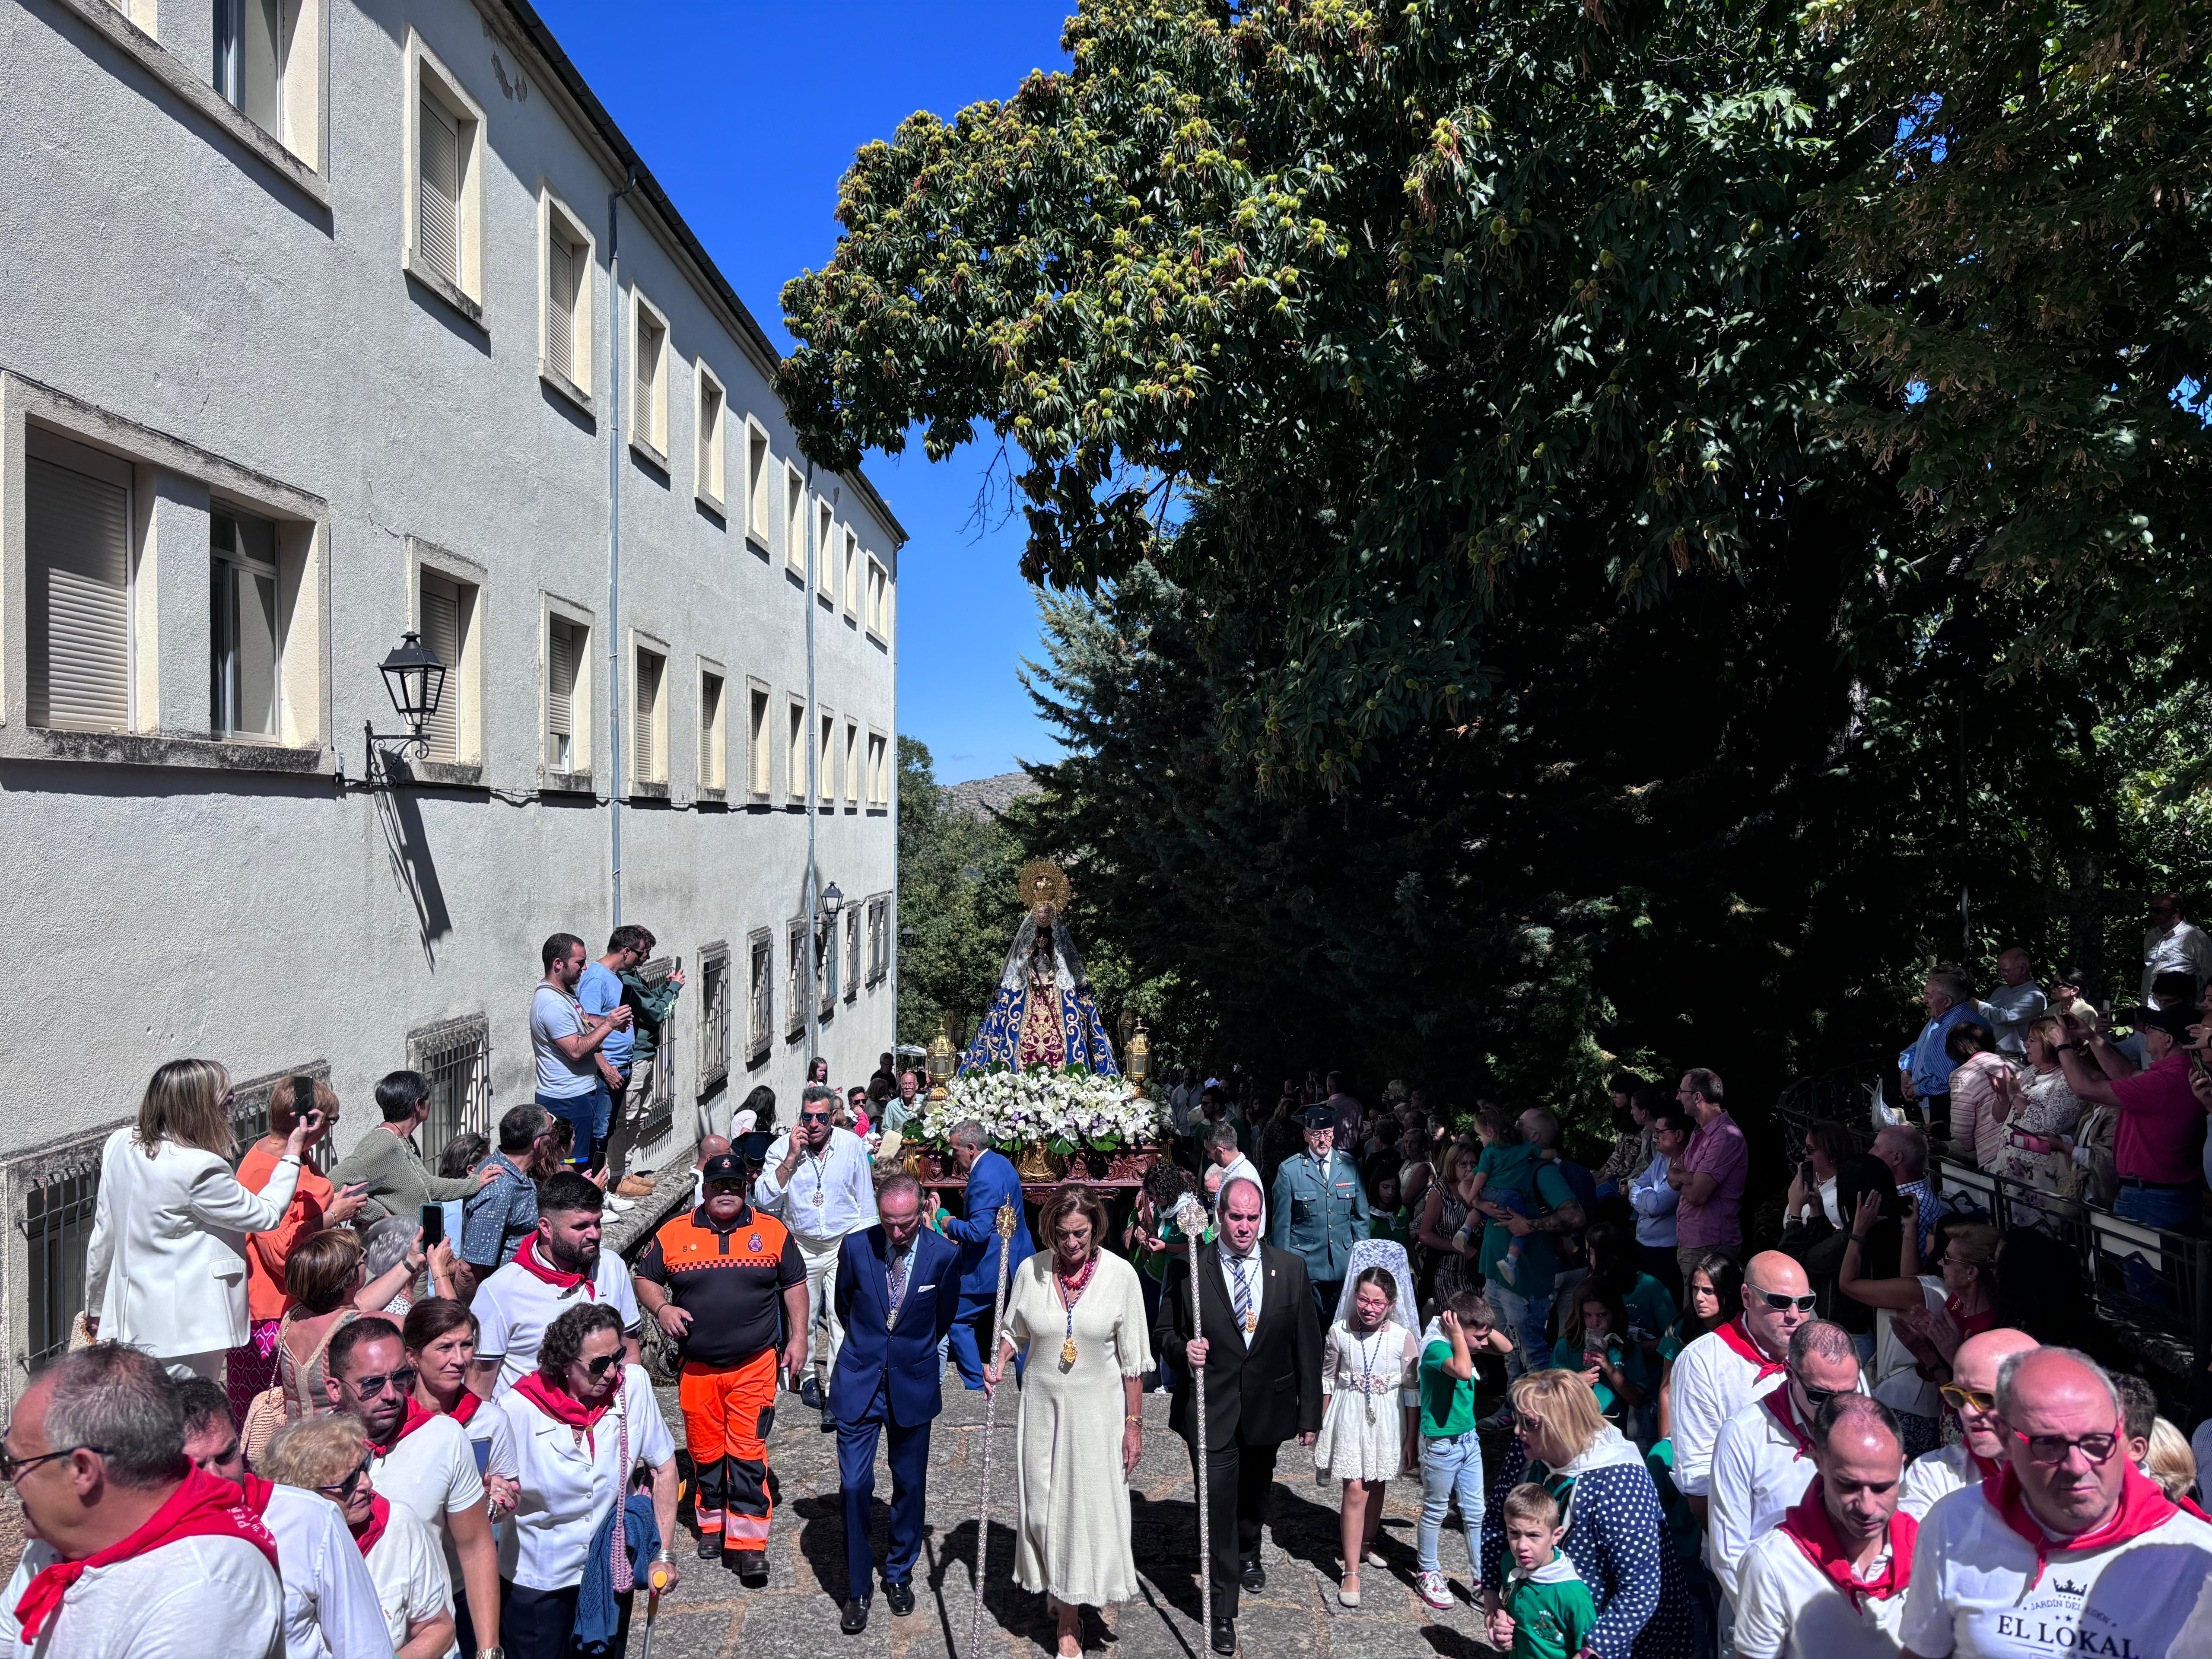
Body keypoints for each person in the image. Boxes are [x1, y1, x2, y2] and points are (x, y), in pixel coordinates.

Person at [1897, 1346, 2212, 1659]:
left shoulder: (2196, 1555)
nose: (2077, 1466)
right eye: (2049, 1444)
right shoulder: (1956, 1521)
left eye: (2096, 1443)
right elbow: (1923, 1652)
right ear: (2006, 1437)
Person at [0, 1342, 284, 1656]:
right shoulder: (55, 1540)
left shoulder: (205, 1588)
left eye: (13, 1463)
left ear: (83, 1470)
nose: (9, 1478)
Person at [982, 1185, 1152, 1659]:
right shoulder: (1029, 1271)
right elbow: (1013, 1330)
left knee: (1079, 1514)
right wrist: (997, 1361)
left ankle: (1070, 1620)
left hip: (1096, 1414)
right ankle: (1059, 1584)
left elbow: (1133, 1362)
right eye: (1061, 1235)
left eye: (1079, 1233)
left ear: (1095, 1228)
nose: (1071, 1244)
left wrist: (1133, 1424)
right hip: (1039, 1408)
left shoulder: (1121, 1277)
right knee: (1040, 1509)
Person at [1155, 1174, 1324, 1652]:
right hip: (1211, 1408)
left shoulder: (1289, 1270)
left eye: (1252, 1218)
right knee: (1216, 1504)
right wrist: (1182, 1348)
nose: (1244, 1227)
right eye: (1235, 1216)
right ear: (1219, 1216)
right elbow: (1162, 1332)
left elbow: (1306, 1347)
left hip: (1267, 1405)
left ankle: (1250, 1549)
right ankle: (1221, 1608)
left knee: (1254, 1494)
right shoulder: (1191, 1267)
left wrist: (1308, 1414)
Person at [631, 1150, 807, 1585]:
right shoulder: (674, 1233)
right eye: (717, 1186)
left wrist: (800, 1338)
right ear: (704, 1189)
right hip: (698, 1368)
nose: (726, 1193)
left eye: (735, 1187)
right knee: (705, 1452)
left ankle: (748, 1545)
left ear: (746, 1190)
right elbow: (644, 1277)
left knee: (747, 1452)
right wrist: (662, 1308)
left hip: (755, 1364)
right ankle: (712, 1524)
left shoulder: (772, 1232)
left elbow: (795, 1284)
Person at [83, 1058, 317, 1383]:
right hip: (187, 1332)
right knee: (186, 1418)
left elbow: (103, 1234)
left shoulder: (120, 1145)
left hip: (127, 1322)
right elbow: (264, 1214)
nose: (230, 1107)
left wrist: (96, 1306)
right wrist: (293, 1152)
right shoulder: (199, 1168)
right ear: (199, 1107)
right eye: (225, 1101)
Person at [496, 1302, 680, 1659]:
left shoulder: (634, 1387)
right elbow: (495, 1491)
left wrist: (665, 1554)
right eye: (599, 1364)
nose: (612, 1372)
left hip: (609, 1569)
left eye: (618, 1357)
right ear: (564, 1365)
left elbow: (664, 1469)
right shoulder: (516, 1409)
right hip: (538, 1583)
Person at [827, 1173, 963, 1634]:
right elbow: (845, 1304)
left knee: (910, 1486)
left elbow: (942, 1316)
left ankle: (899, 1574)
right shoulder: (855, 1247)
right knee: (853, 1487)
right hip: (859, 1381)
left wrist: (908, 1355)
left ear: (923, 1210)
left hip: (912, 1384)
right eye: (889, 1222)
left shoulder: (944, 1255)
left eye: (905, 1223)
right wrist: (871, 1348)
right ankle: (857, 1587)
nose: (897, 1232)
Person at [175, 1377, 394, 1659]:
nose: (216, 1478)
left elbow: (366, 1648)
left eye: (226, 1456)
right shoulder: (145, 1540)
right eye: (195, 1466)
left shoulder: (310, 1518)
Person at [1480, 1369, 1694, 1659]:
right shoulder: (1527, 1451)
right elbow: (1496, 1521)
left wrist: (1593, 1648)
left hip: (1606, 1641)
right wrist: (1495, 1601)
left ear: (1562, 1426)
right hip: (1542, 1626)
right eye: (1518, 1420)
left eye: (1529, 1423)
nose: (1518, 1432)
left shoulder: (1620, 1483)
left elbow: (1640, 1592)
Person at [324, 1315, 502, 1653]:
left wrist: (489, 1649)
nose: (391, 1395)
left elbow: (477, 1547)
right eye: (372, 1383)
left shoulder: (444, 1438)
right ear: (335, 1389)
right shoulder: (314, 1451)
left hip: (431, 1642)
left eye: (401, 1378)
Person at [1735, 1395, 1916, 1659]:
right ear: (1818, 1460)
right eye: (1848, 1485)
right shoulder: (1772, 1564)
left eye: (1882, 1487)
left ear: (1902, 1468)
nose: (1867, 1507)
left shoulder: (1926, 1549)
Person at [233, 1075, 370, 1419]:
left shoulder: (295, 1155)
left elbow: (300, 1210)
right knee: (271, 1419)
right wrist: (332, 1217)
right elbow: (280, 1252)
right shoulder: (265, 1171)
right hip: (268, 1319)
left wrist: (334, 1205)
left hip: (292, 1308)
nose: (330, 1128)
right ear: (306, 1121)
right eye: (330, 1121)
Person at [261, 1415, 453, 1659]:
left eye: (365, 1467)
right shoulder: (274, 1546)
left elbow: (439, 1627)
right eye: (349, 1481)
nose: (367, 1483)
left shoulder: (398, 1524)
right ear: (303, 1496)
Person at [1707, 1320, 1863, 1611]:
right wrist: (1776, 1628)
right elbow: (1730, 1555)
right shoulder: (1743, 1436)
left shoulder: (1866, 1422)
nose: (1836, 1409)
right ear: (1790, 1374)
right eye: (1820, 1396)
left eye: (1848, 1395)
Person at [753, 1083, 879, 1428]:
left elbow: (865, 1202)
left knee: (841, 1318)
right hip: (802, 1244)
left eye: (821, 1117)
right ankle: (807, 1375)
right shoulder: (783, 1147)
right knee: (803, 1318)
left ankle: (837, 1391)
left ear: (833, 1115)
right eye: (807, 1117)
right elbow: (764, 1197)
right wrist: (792, 1160)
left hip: (843, 1244)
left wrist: (866, 1250)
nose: (814, 1124)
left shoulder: (851, 1145)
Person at [401, 1299, 519, 1653]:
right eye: (444, 1347)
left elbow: (510, 1493)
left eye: (466, 1345)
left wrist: (495, 1501)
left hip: (463, 1585)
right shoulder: (391, 1421)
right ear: (412, 1357)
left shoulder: (491, 1422)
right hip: (402, 1587)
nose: (459, 1359)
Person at [1669, 1251, 1813, 1518]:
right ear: (1747, 1297)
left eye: (1805, 1303)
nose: (1795, 1315)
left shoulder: (1826, 1354)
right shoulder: (1702, 1363)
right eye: (1780, 1302)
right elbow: (1700, 1483)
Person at [470, 1172, 643, 1395]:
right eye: (581, 1227)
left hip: (606, 1420)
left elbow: (629, 1352)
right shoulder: (499, 1291)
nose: (595, 1234)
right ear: (546, 1228)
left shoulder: (613, 1266)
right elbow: (478, 1387)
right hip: (533, 1424)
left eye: (597, 1223)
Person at [1314, 1252, 1421, 1608]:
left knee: (1377, 1483)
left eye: (1377, 1302)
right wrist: (1322, 1424)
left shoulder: (1403, 1338)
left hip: (1387, 1420)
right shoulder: (1340, 1333)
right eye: (1363, 1299)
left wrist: (1411, 1439)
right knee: (1356, 1489)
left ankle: (1370, 1540)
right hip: (1349, 1415)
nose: (1369, 1308)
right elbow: (1328, 1379)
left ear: (1390, 1304)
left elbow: (1411, 1391)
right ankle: (1351, 1570)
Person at [2055, 1003, 2206, 1248]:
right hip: (2169, 1195)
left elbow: (2085, 1089)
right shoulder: (2182, 1072)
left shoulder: (2164, 1082)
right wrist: (2091, 1037)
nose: (2145, 1031)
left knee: (2145, 1280)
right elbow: (2125, 1074)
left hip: (2151, 1199)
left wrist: (2062, 1046)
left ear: (2167, 1040)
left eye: (2151, 1028)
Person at [1414, 1289, 1514, 1610]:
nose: (1484, 1344)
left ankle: (1481, 1580)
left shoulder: (1465, 1340)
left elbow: (1507, 1347)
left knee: (1476, 1513)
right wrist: (1459, 1333)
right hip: (1441, 1444)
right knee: (1436, 1509)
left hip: (1468, 1441)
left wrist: (1480, 1325)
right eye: (1480, 1338)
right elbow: (1460, 1369)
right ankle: (1427, 1570)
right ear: (1455, 1327)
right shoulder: (1436, 1348)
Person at [930, 1120, 1037, 1389]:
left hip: (990, 1266)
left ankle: (978, 1384)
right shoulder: (1001, 1163)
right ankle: (1030, 1385)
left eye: (955, 1151)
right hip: (1018, 1257)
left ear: (971, 1148)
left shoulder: (983, 1180)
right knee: (1020, 1325)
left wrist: (949, 1224)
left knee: (956, 1319)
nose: (954, 1158)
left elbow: (978, 1233)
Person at [1482, 1110, 1588, 1379]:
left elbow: (1575, 1216)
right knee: (1510, 1350)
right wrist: (1478, 1203)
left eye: (1519, 1123)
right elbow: (1465, 1182)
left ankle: (1540, 1416)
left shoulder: (1543, 1171)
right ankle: (1514, 1409)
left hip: (1525, 1281)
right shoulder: (1509, 1162)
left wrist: (1530, 1225)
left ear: (1534, 1136)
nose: (1513, 1126)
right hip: (1498, 1275)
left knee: (1532, 1353)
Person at [326, 1071, 499, 1230]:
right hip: (393, 1255)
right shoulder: (379, 1146)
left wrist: (476, 1183)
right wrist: (381, 1215)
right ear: (419, 1104)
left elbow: (429, 1187)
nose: (430, 1103)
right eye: (427, 1098)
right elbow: (330, 1189)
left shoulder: (403, 1139)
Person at [1898, 1327, 2038, 1518]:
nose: (1968, 1411)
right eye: (1957, 1396)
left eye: (1984, 1399)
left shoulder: (2079, 1469)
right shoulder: (1935, 1475)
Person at [528, 931, 630, 1175]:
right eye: (580, 963)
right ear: (558, 964)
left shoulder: (565, 994)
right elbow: (575, 1050)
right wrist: (609, 1025)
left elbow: (583, 1022)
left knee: (586, 1158)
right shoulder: (551, 1003)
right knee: (571, 1169)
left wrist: (606, 1020)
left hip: (579, 1095)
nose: (584, 969)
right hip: (566, 1100)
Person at [1268, 1104, 1373, 1320]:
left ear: (1334, 1134)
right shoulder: (1290, 1170)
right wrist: (1285, 1269)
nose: (1322, 1140)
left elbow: (1360, 1218)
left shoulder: (1349, 1166)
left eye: (1327, 1134)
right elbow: (1282, 1227)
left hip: (1343, 1265)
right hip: (1306, 1266)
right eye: (1316, 1134)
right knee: (1311, 1329)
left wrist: (1362, 1260)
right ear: (1306, 1136)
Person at [1494, 1481, 1597, 1659]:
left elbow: (1591, 1648)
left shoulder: (1573, 1595)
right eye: (1514, 1533)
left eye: (1534, 1535)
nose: (1522, 1546)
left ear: (1556, 1536)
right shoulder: (1509, 1563)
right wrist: (1501, 1631)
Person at [1988, 1016, 2085, 1198]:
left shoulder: (2069, 1079)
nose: (2025, 1045)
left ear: (2050, 1045)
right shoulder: (2030, 1071)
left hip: (2039, 1176)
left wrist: (2015, 1096)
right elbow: (2000, 1118)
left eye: (2032, 1040)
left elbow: (2050, 1125)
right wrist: (2002, 1096)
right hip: (2009, 1165)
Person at [1668, 1069, 1747, 1284]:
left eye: (1681, 1091)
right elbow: (1672, 1176)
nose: (1678, 1097)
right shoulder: (1699, 1132)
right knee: (1693, 1316)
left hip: (1711, 1246)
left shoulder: (1725, 1138)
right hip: (1693, 1243)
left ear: (1697, 1097)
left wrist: (1685, 1177)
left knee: (1708, 1316)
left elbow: (1696, 1196)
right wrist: (1689, 1177)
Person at [461, 1104, 551, 1279]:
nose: (553, 1140)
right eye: (551, 1134)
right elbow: (469, 1270)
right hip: (503, 1297)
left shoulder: (512, 1171)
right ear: (538, 1143)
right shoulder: (499, 1190)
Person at [1551, 1281, 1652, 1433]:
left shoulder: (1627, 1349)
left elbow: (1638, 1400)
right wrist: (1576, 1382)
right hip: (1573, 1429)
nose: (1594, 1323)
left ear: (1614, 1314)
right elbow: (1550, 1395)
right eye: (1588, 1315)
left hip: (1612, 1430)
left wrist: (1610, 1369)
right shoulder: (1566, 1347)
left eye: (1602, 1315)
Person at [1895, 969, 1986, 1130]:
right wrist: (1906, 1072)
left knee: (1946, 1151)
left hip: (1949, 1107)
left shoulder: (1954, 1027)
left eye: (1928, 996)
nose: (1924, 1001)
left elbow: (1946, 1080)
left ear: (1947, 1001)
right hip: (1936, 1101)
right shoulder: (1939, 1020)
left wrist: (1916, 1089)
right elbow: (1915, 1049)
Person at [1870, 1125, 1948, 1262]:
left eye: (1876, 1148)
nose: (1870, 1153)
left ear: (1897, 1158)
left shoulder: (1913, 1206)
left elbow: (1887, 1259)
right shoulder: (1904, 1194)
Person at [1630, 1109, 1684, 1299]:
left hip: (1667, 1252)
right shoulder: (1662, 1158)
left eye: (1661, 1132)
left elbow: (1658, 1205)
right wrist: (1649, 1201)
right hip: (1644, 1246)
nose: (1655, 1137)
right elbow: (1635, 1188)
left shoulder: (1686, 1166)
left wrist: (1645, 1203)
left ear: (1678, 1135)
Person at [1940, 1022, 2008, 1171]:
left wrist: (1969, 1147)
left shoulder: (1962, 1076)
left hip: (1995, 1155)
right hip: (2023, 1146)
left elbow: (1961, 1128)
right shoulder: (2011, 1064)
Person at [2141, 892, 2212, 1004]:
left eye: (2159, 911)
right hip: (2151, 1009)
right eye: (2152, 910)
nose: (2153, 915)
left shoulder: (2195, 937)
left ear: (2176, 912)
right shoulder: (2152, 936)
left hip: (2181, 1013)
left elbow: (2209, 976)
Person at [1203, 1117, 1266, 1234]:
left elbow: (1250, 1226)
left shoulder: (1243, 1176)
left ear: (1219, 1151)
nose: (1208, 1156)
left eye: (1208, 1151)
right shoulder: (1234, 1171)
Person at [1983, 947, 2048, 1055]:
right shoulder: (2001, 991)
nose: (2002, 975)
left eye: (2006, 971)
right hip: (1989, 1054)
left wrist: (1975, 1005)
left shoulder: (2035, 998)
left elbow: (2003, 1016)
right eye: (2000, 970)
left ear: (2023, 969)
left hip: (2012, 1059)